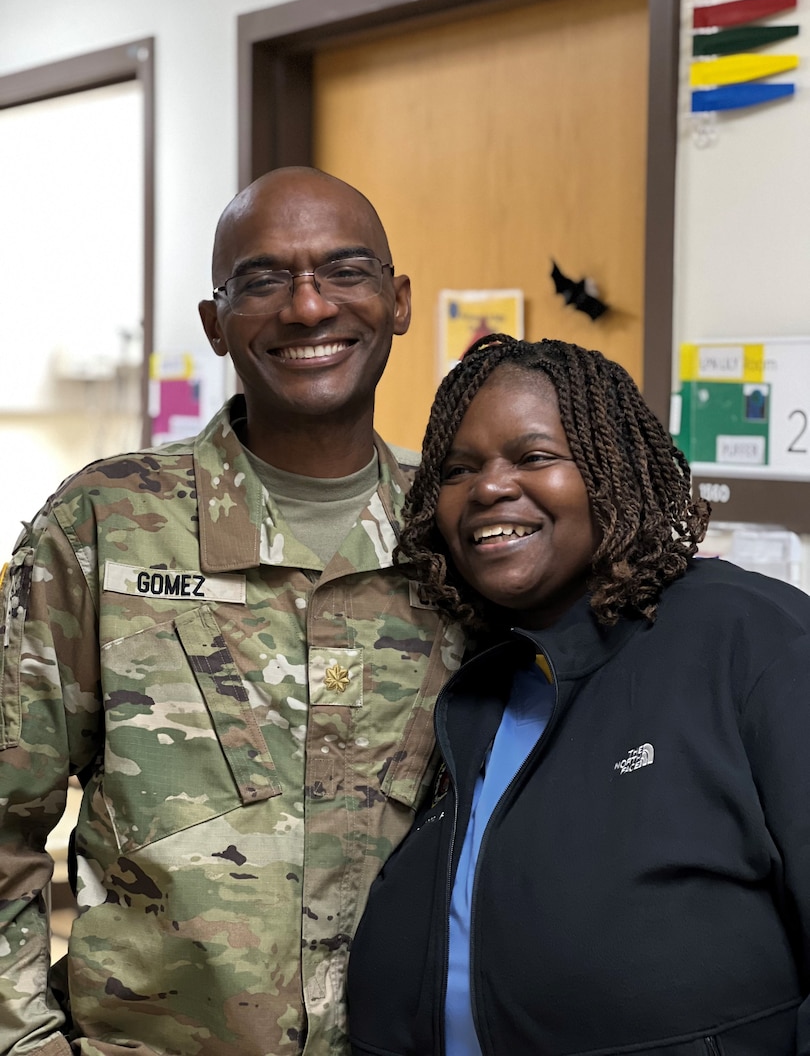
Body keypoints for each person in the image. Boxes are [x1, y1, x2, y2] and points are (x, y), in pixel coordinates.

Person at [0, 166, 463, 1055]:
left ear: (397, 302)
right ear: (216, 324)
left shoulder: (455, 534)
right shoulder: (107, 524)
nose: (307, 307)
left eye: (346, 270)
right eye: (262, 280)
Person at [347, 332, 810, 1056]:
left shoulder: (753, 639)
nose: (489, 488)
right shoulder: (466, 674)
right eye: (459, 469)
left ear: (612, 468)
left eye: (533, 458)